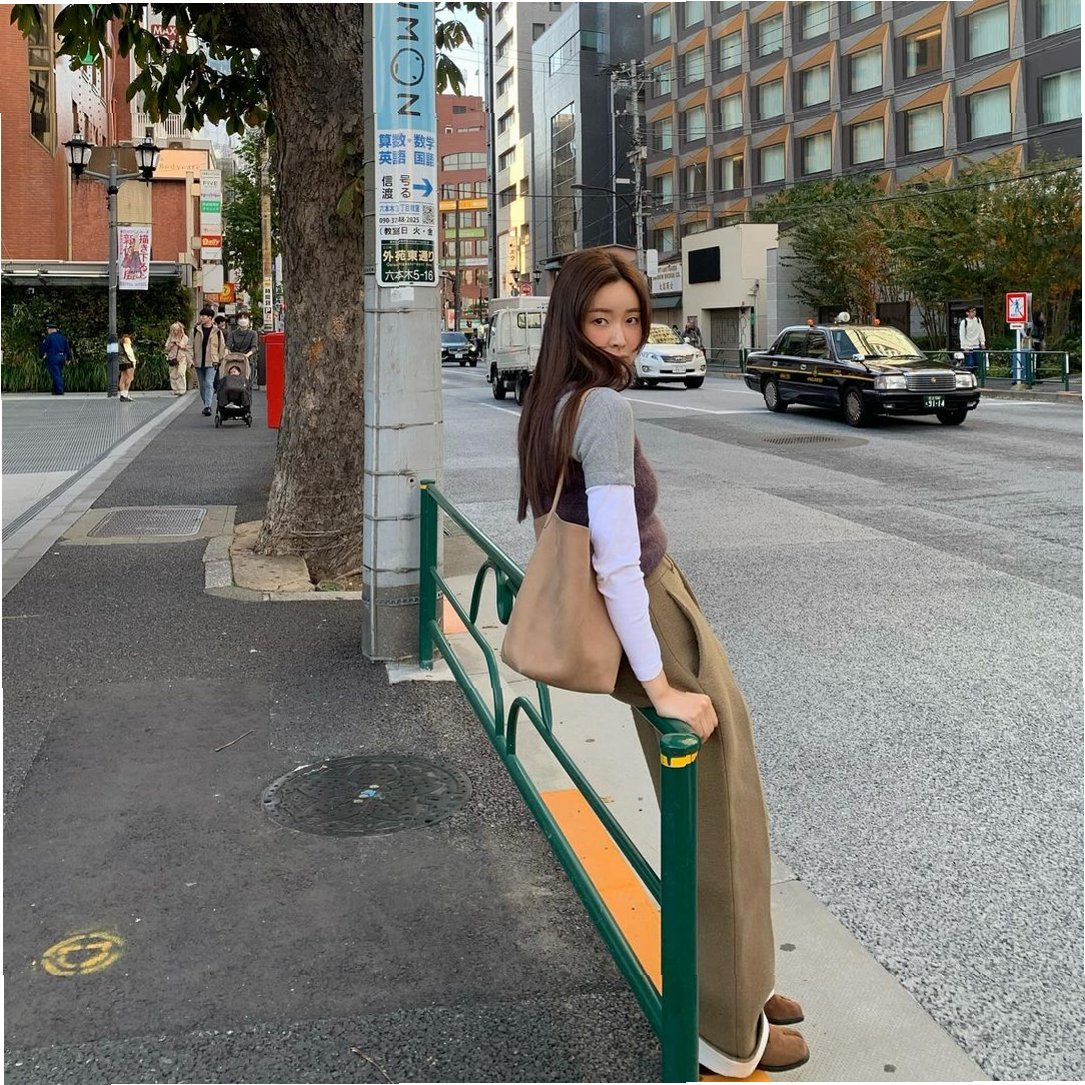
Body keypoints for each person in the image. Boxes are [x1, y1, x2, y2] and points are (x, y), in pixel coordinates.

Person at [515, 249, 808, 1078]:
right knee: (719, 809)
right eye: (599, 320)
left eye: (631, 320)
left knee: (724, 795)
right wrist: (659, 684)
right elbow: (613, 561)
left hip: (646, 610)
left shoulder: (553, 397)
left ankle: (746, 982)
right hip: (650, 612)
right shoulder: (601, 406)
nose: (619, 337)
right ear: (571, 323)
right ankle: (725, 1032)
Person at [193, 305, 227, 416]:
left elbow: (222, 346)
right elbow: (189, 345)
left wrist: (220, 359)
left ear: (210, 318)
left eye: (204, 316)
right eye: (201, 316)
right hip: (198, 361)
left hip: (212, 361)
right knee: (202, 385)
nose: (202, 318)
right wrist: (190, 359)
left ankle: (208, 406)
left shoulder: (217, 331)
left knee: (208, 383)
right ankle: (206, 403)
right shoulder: (196, 330)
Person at [38, 319, 72, 395]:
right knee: (58, 373)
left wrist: (41, 356)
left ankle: (59, 390)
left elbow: (44, 347)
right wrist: (68, 358)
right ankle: (55, 390)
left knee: (56, 374)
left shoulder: (48, 338)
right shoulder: (63, 337)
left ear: (50, 329)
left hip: (53, 357)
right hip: (62, 357)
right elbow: (67, 349)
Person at [164, 322, 191, 396]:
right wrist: (171, 345)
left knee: (181, 373)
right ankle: (175, 389)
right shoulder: (170, 338)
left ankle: (182, 389)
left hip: (182, 357)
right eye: (174, 330)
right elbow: (166, 348)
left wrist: (179, 345)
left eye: (177, 330)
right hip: (172, 358)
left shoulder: (184, 338)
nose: (175, 332)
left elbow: (188, 348)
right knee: (173, 374)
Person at [958, 305, 986, 374]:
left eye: (975, 310)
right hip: (968, 346)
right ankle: (969, 375)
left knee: (978, 363)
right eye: (972, 311)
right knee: (970, 364)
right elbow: (962, 335)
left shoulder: (978, 320)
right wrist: (964, 347)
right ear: (967, 313)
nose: (974, 312)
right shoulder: (964, 322)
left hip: (976, 345)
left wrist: (982, 342)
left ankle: (974, 376)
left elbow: (981, 331)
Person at [118, 326, 138, 401]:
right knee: (130, 378)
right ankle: (125, 394)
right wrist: (133, 360)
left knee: (123, 378)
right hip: (127, 361)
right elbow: (129, 351)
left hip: (121, 361)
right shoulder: (126, 339)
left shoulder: (120, 339)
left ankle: (122, 395)